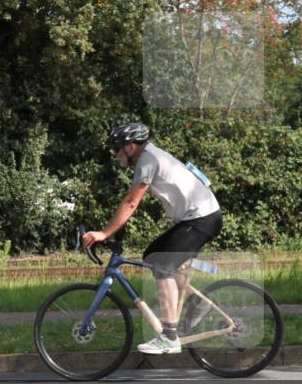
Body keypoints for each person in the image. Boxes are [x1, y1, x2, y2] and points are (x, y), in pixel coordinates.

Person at [82, 122, 222, 354]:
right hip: (198, 217)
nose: (115, 154)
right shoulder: (150, 156)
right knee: (152, 256)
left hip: (201, 218)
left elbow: (131, 202)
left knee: (163, 265)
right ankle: (198, 306)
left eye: (117, 148)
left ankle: (169, 336)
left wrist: (105, 233)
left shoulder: (148, 160)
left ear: (131, 146)